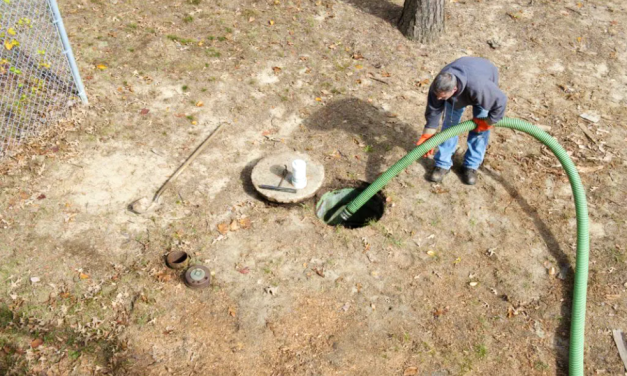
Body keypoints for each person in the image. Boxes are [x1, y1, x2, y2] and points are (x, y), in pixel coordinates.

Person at [416, 56, 507, 185]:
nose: (439, 99)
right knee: (450, 126)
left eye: (442, 97)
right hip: (464, 83)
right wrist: (428, 132)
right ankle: (443, 164)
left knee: (480, 130)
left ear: (454, 89)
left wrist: (489, 122)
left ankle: (471, 165)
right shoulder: (439, 86)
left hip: (482, 76)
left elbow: (501, 101)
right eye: (438, 96)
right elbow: (434, 108)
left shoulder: (480, 86)